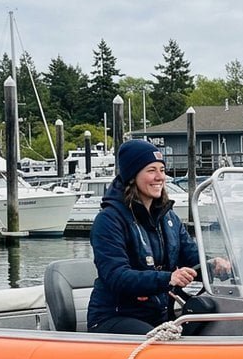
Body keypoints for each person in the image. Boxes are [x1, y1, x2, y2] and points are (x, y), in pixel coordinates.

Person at [87, 139, 229, 334]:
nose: (159, 177)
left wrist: (215, 265)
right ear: (132, 175)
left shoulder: (168, 218)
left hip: (158, 315)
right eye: (151, 170)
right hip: (114, 316)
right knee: (163, 343)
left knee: (213, 320)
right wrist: (168, 278)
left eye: (162, 170)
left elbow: (191, 257)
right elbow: (116, 276)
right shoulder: (109, 220)